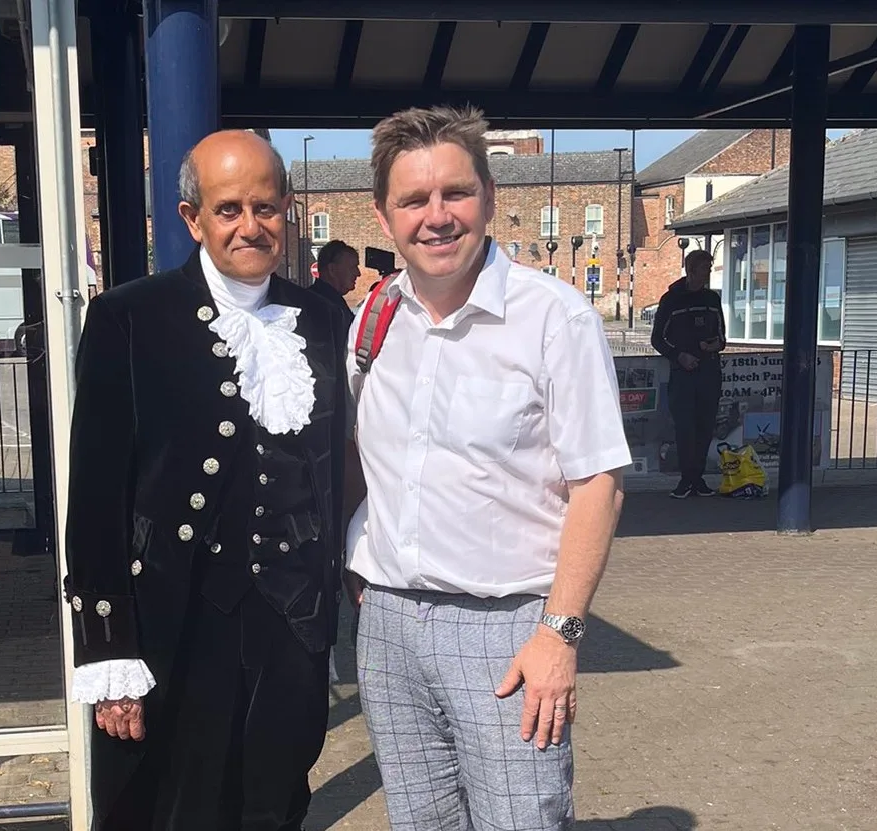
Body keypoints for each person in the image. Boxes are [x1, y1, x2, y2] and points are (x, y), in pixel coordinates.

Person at [343, 105, 631, 831]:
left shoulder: (555, 319)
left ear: (490, 199)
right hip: (388, 627)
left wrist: (559, 634)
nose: (436, 217)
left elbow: (598, 484)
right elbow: (359, 454)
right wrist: (360, 566)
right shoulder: (373, 321)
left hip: (509, 631)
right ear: (384, 217)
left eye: (455, 194)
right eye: (413, 199)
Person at [62, 129, 347, 831]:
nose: (250, 226)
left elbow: (343, 464)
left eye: (266, 207)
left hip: (290, 622)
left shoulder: (321, 318)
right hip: (172, 620)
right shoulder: (129, 316)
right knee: (168, 808)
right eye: (228, 210)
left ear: (286, 209)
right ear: (192, 218)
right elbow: (96, 495)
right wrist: (110, 654)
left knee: (273, 803)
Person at [650, 248, 726, 499]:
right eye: (704, 269)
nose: (707, 274)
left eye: (709, 269)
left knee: (705, 426)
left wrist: (714, 345)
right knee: (685, 427)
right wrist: (679, 356)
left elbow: (723, 337)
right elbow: (657, 339)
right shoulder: (671, 300)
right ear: (691, 270)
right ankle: (685, 479)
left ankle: (699, 478)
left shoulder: (712, 300)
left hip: (709, 372)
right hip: (682, 374)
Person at [309, 239, 359, 338]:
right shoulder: (322, 306)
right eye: (353, 267)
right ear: (332, 270)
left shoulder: (329, 301)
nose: (358, 273)